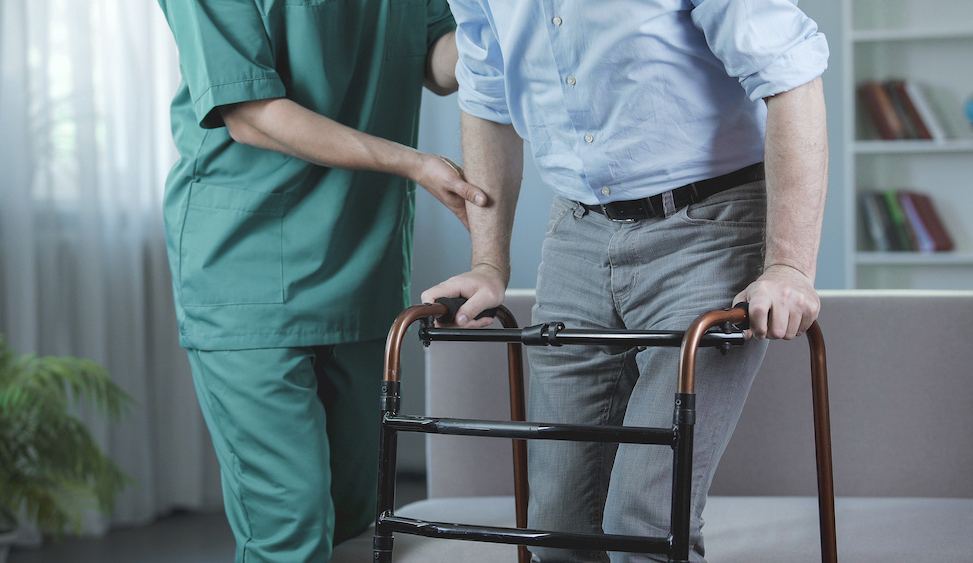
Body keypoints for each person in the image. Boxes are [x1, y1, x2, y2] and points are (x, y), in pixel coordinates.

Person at [421, 1, 829, 561]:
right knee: (557, 525)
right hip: (578, 229)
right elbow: (486, 94)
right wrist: (490, 263)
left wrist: (788, 266)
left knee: (644, 519)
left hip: (711, 222)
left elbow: (792, 76)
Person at [156, 2, 486, 561]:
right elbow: (250, 111)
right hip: (246, 269)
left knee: (349, 515)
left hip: (362, 264)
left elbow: (438, 58)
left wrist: (495, 26)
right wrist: (413, 163)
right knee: (291, 525)